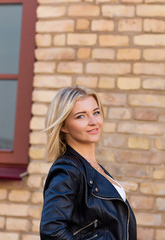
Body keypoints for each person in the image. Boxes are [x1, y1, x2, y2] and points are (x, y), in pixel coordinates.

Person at [40, 86, 137, 240]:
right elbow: (52, 231)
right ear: (64, 125)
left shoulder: (94, 168)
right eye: (81, 116)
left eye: (96, 112)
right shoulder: (68, 170)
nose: (93, 121)